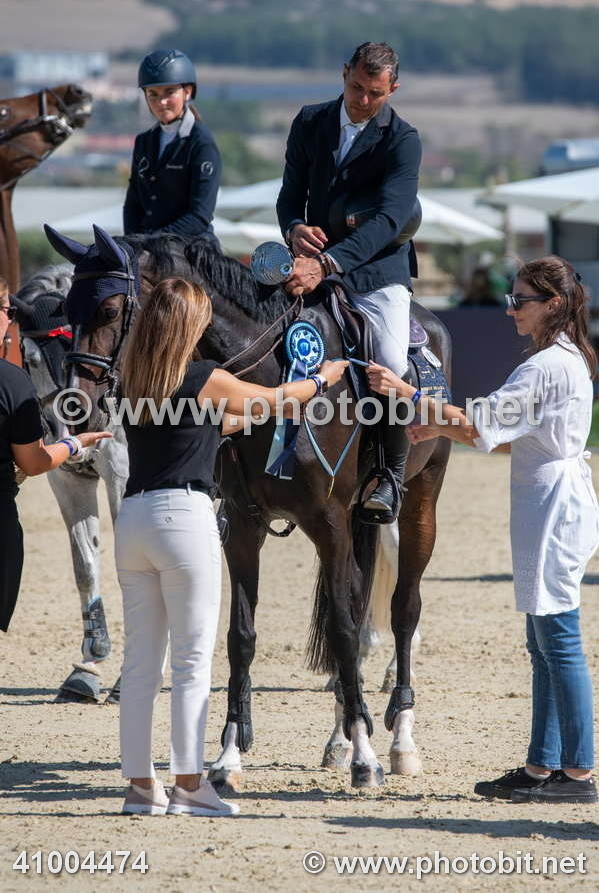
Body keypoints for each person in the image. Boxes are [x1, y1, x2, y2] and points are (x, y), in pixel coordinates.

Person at [367, 255, 599, 805]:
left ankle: (578, 771)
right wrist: (438, 424)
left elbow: (479, 423)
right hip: (547, 497)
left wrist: (404, 393)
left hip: (552, 506)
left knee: (559, 640)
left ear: (553, 304)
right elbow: (501, 434)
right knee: (542, 642)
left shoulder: (547, 366)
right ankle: (542, 765)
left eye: (521, 300)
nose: (511, 309)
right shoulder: (561, 357)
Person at [116, 276, 347, 816]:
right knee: (192, 662)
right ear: (186, 326)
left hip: (134, 519)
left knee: (141, 664)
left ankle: (140, 788)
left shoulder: (135, 378)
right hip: (182, 520)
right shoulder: (206, 377)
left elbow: (210, 426)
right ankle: (190, 786)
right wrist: (321, 379)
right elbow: (276, 397)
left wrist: (267, 412)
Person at [276, 41, 421, 522]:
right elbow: (289, 195)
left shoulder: (403, 140)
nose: (362, 100)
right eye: (357, 87)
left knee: (391, 362)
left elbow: (389, 221)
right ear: (344, 74)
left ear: (392, 89)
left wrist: (330, 263)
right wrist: (294, 228)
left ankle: (389, 476)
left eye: (375, 93)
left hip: (376, 271)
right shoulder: (310, 121)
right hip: (310, 263)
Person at [0, 277, 111, 634]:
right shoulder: (12, 382)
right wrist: (75, 444)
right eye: (6, 310)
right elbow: (34, 463)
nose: (9, 318)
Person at [123, 49, 221, 245]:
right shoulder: (143, 142)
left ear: (187, 92)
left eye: (169, 92)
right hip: (148, 247)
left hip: (191, 247)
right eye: (153, 94)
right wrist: (132, 244)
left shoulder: (202, 143)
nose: (161, 102)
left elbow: (199, 215)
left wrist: (152, 241)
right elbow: (133, 204)